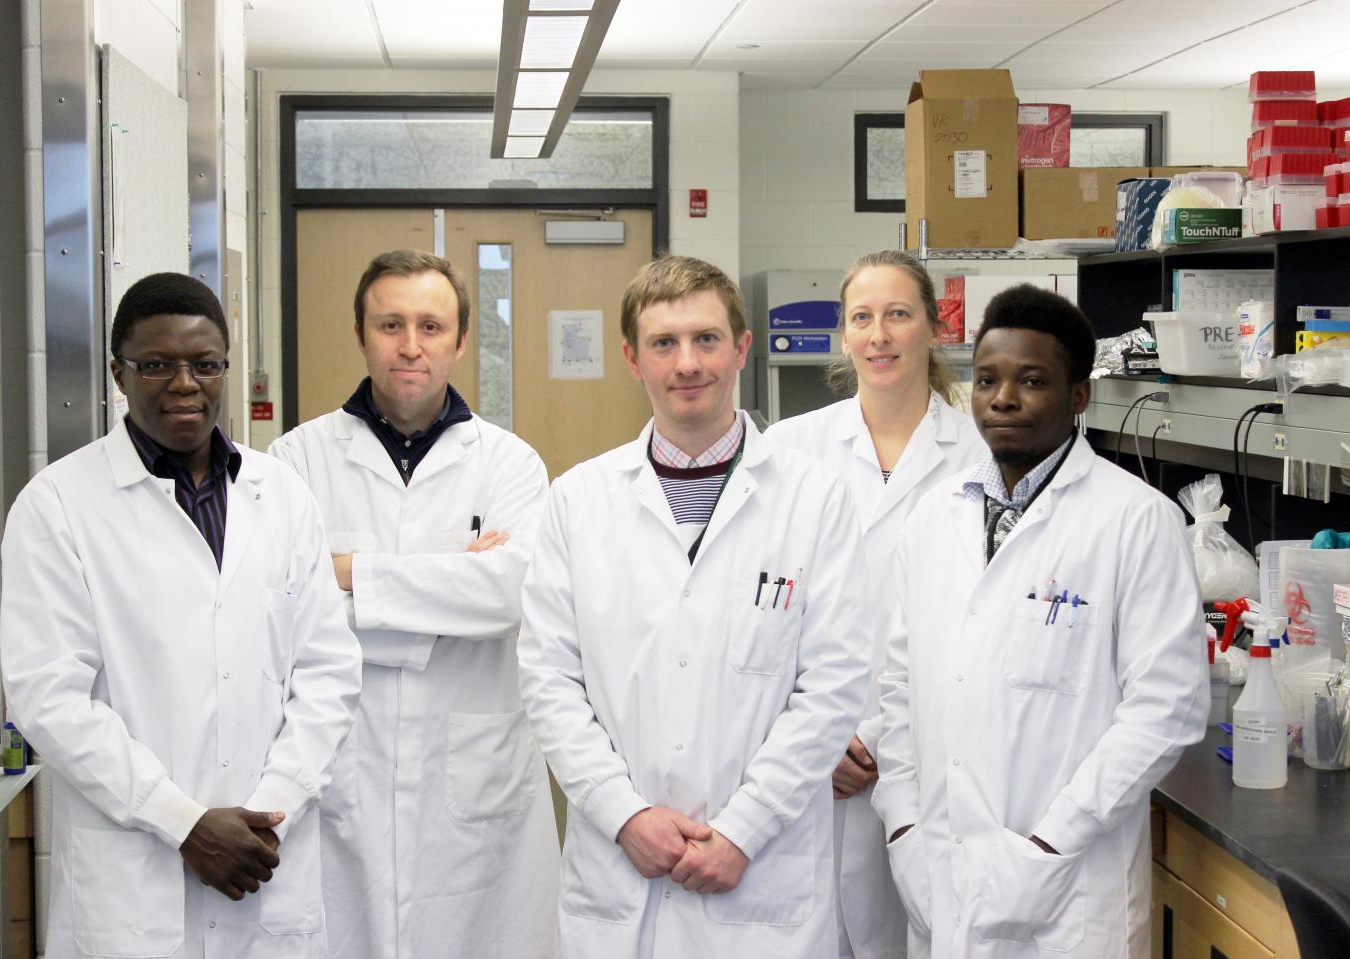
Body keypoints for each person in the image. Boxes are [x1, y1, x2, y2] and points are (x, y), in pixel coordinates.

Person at [518, 254, 872, 958]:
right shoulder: (578, 501)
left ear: (741, 347)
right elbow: (548, 681)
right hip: (620, 874)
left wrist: (743, 828)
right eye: (663, 343)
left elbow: (832, 686)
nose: (687, 363)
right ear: (631, 357)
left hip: (762, 876)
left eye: (706, 339)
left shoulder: (815, 498)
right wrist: (625, 815)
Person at [1, 272, 362, 959]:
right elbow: (51, 699)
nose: (184, 383)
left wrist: (271, 812)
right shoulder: (58, 507)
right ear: (119, 371)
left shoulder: (281, 495)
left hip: (267, 862)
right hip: (135, 885)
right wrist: (184, 822)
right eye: (157, 364)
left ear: (224, 366)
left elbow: (328, 669)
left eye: (204, 364)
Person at [873, 284, 1209, 958]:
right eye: (988, 379)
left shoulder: (1136, 522)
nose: (1003, 398)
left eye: (1032, 380)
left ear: (1078, 396)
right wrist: (904, 824)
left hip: (1068, 886)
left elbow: (1166, 709)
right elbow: (898, 689)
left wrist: (1051, 841)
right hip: (937, 870)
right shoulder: (932, 518)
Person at [268, 250, 558, 959]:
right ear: (361, 333)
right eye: (390, 323)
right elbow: (278, 608)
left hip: (474, 779)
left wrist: (345, 575)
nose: (410, 344)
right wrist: (446, 586)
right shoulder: (295, 463)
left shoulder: (510, 463)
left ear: (461, 340)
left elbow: (509, 592)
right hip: (344, 768)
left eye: (431, 325)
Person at [765, 250, 987, 959]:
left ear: (934, 325)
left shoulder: (981, 452)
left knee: (920, 928)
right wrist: (822, 734)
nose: (880, 334)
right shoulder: (790, 448)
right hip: (809, 751)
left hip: (933, 744)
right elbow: (758, 606)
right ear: (843, 333)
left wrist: (881, 733)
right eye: (862, 317)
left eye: (898, 314)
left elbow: (982, 616)